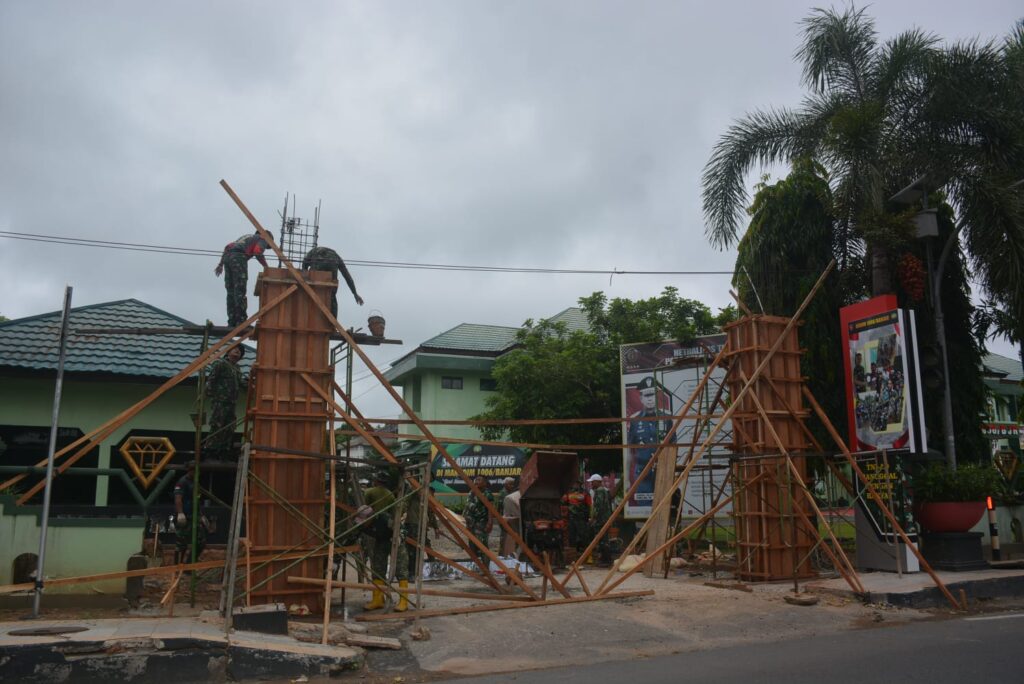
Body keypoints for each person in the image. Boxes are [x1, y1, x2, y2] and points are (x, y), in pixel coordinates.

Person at [359, 468, 409, 612]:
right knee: (387, 568)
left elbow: (365, 509)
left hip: (390, 535)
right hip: (386, 534)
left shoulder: (370, 493)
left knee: (390, 568)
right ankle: (385, 600)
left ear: (375, 481)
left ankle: (390, 600)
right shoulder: (390, 496)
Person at [628, 377, 675, 500]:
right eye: (646, 395)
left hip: (663, 471)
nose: (650, 399)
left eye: (652, 395)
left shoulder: (666, 418)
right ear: (641, 398)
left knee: (665, 503)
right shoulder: (634, 421)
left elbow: (673, 445)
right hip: (643, 473)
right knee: (645, 507)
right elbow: (629, 449)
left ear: (657, 397)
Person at [214, 231, 272, 327]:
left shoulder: (246, 237)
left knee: (231, 291)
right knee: (240, 290)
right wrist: (266, 267)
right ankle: (241, 321)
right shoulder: (263, 238)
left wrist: (221, 264)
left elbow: (228, 246)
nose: (265, 247)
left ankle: (232, 321)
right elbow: (257, 251)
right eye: (266, 246)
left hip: (227, 258)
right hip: (239, 257)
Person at [204, 344, 244, 461]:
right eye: (235, 349)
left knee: (229, 427)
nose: (237, 351)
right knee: (217, 424)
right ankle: (210, 451)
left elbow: (241, 383)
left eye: (240, 351)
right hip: (220, 401)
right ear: (228, 352)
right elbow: (211, 379)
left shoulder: (237, 368)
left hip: (231, 402)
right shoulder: (221, 363)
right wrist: (211, 394)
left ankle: (223, 451)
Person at [301, 246, 364, 319]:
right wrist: (355, 293)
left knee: (313, 289)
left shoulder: (312, 252)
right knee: (331, 294)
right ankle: (333, 321)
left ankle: (311, 314)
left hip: (318, 264)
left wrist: (305, 280)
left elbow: (304, 265)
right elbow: (346, 276)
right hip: (332, 265)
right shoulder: (336, 256)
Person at [173, 473, 208, 566]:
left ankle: (189, 566)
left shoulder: (196, 483)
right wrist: (180, 513)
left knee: (201, 542)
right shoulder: (182, 482)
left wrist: (201, 515)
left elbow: (197, 500)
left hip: (195, 516)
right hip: (184, 516)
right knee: (181, 544)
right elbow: (178, 499)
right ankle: (177, 567)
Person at [589, 473, 613, 566]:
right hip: (604, 519)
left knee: (602, 540)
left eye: (592, 482)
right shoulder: (604, 491)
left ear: (597, 482)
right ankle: (606, 559)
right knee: (604, 539)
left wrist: (593, 518)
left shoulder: (599, 491)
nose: (591, 484)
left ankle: (605, 560)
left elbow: (598, 507)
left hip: (601, 520)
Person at [463, 475, 494, 549]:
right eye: (476, 480)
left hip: (481, 522)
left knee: (481, 541)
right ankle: (474, 557)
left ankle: (484, 558)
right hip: (471, 522)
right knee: (472, 541)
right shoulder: (472, 492)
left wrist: (490, 522)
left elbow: (491, 509)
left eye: (479, 480)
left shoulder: (487, 493)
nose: (476, 481)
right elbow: (468, 505)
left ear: (484, 483)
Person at [565, 479, 592, 553]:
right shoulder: (569, 493)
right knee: (571, 536)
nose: (575, 485)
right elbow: (565, 503)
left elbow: (589, 505)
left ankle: (587, 554)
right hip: (571, 518)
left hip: (581, 518)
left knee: (583, 536)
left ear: (580, 484)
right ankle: (573, 554)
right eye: (574, 483)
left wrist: (589, 517)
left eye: (577, 483)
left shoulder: (585, 493)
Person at [501, 480, 522, 558]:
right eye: (509, 484)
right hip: (515, 529)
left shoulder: (510, 497)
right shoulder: (510, 498)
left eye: (512, 484)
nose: (511, 486)